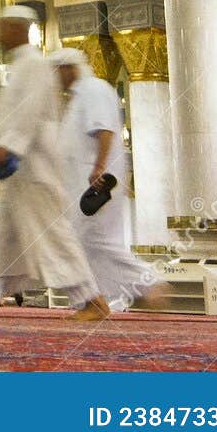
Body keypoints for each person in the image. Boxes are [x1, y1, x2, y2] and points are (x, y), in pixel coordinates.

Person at [0, 7, 110, 321]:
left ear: (17, 29)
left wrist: (7, 148)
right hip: (22, 171)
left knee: (53, 234)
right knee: (3, 235)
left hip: (35, 167)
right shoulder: (22, 65)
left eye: (3, 28)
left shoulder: (33, 65)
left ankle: (91, 300)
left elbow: (28, 112)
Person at [51, 48, 166, 311]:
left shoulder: (93, 89)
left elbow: (104, 128)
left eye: (57, 72)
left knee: (93, 240)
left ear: (68, 68)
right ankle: (96, 301)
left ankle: (147, 284)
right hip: (85, 183)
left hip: (96, 183)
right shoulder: (80, 96)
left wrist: (99, 166)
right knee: (88, 242)